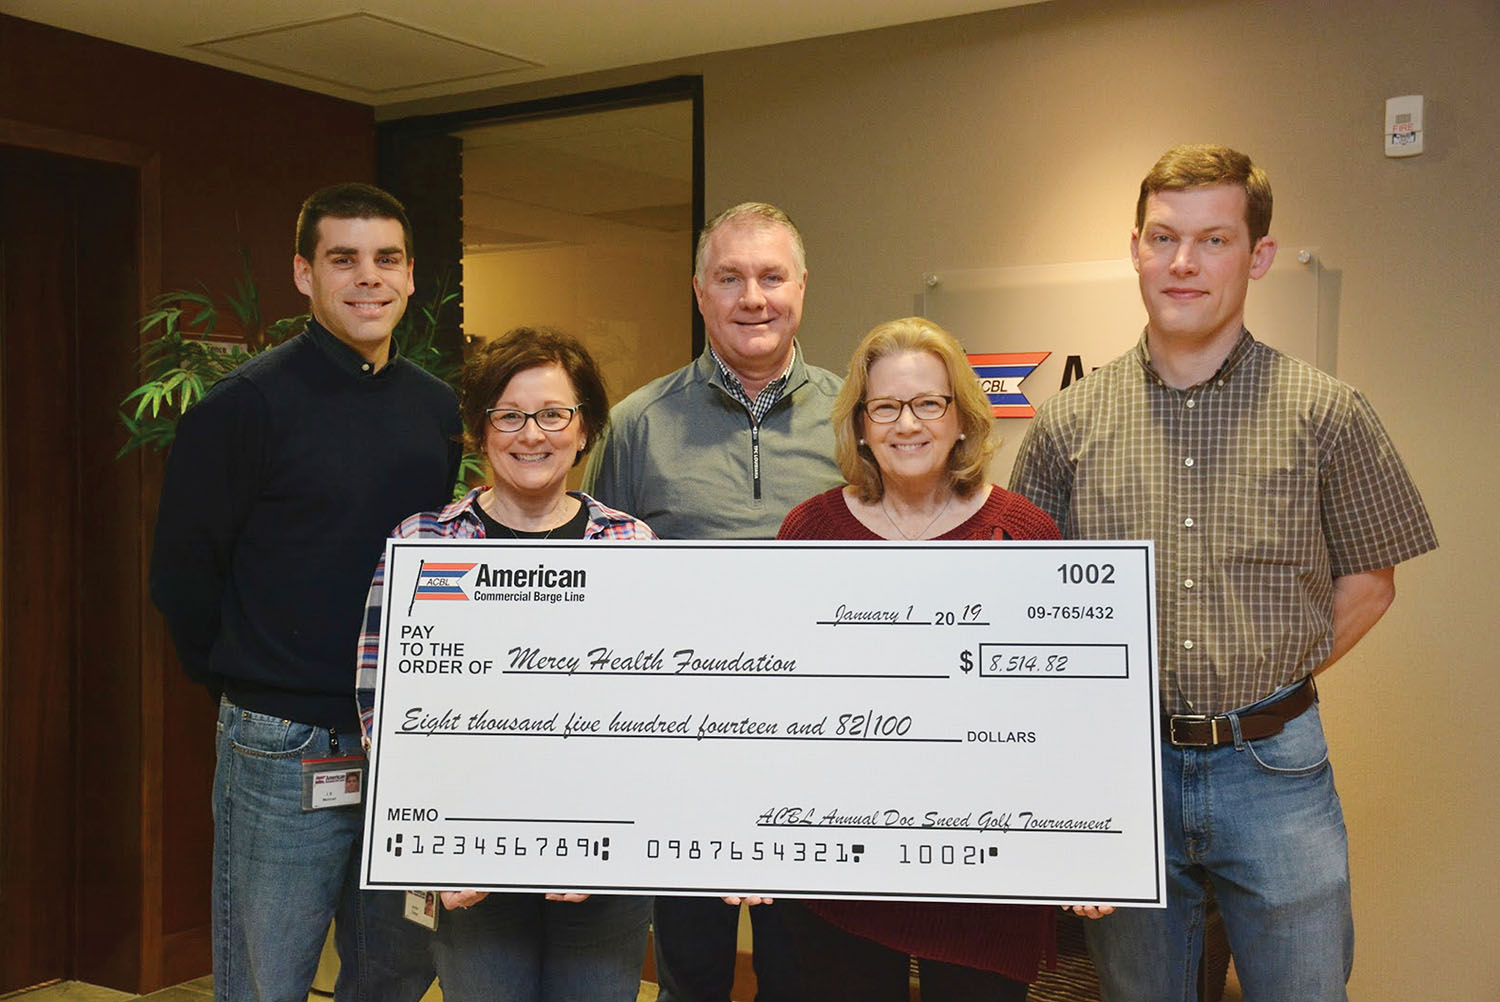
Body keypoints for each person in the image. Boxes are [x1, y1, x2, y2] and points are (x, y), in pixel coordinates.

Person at [1008, 144, 1438, 1001]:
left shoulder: (1327, 413)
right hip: (1123, 770)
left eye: (1213, 240)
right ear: (1134, 247)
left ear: (1259, 255)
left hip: (1276, 769)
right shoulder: (1067, 425)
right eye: (1163, 238)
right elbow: (1032, 605)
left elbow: (1372, 581)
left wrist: (1266, 682)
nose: (1183, 263)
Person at [150, 182, 458, 1002]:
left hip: (407, 740)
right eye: (342, 258)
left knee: (395, 970)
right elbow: (182, 575)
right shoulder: (243, 407)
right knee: (267, 979)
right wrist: (251, 685)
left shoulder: (435, 408)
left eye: (386, 258)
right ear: (303, 273)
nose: (368, 277)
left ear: (410, 273)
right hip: (282, 740)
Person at [582, 202, 845, 1001]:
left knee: (806, 972)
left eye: (771, 276)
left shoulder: (857, 417)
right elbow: (602, 592)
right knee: (692, 972)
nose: (752, 297)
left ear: (803, 286)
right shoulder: (637, 424)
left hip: (820, 748)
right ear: (700, 292)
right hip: (682, 752)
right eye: (731, 278)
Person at [356, 326, 656, 1002]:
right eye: (510, 416)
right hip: (470, 869)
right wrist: (434, 844)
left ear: (585, 431)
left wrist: (602, 835)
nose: (532, 435)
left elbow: (652, 717)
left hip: (600, 869)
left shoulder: (630, 546)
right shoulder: (423, 544)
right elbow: (381, 708)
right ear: (480, 431)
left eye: (553, 415)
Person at [776, 316, 1060, 1001]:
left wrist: (1090, 845)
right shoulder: (810, 531)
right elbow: (779, 703)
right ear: (861, 424)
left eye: (929, 403)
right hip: (844, 876)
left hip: (983, 875)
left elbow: (1061, 716)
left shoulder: (1022, 533)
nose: (908, 423)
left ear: (961, 417)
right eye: (886, 407)